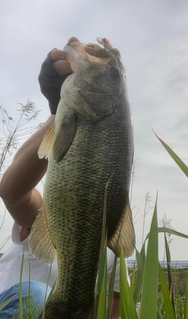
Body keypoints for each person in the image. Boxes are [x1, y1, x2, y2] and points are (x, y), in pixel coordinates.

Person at [0, 37, 126, 319]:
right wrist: (58, 112)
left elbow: (114, 312)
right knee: (35, 296)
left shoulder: (112, 254)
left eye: (114, 75)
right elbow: (11, 192)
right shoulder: (41, 219)